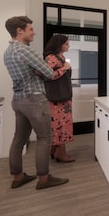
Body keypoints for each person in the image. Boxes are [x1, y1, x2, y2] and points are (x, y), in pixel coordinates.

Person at [3, 16, 69, 190]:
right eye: (31, 29)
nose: (34, 32)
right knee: (44, 138)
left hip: (18, 99)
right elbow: (48, 72)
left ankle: (18, 176)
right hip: (34, 99)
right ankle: (44, 178)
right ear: (19, 31)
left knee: (19, 139)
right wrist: (60, 68)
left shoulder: (8, 52)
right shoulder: (26, 50)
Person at [43, 34, 76, 163]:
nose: (69, 46)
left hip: (63, 96)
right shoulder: (51, 58)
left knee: (63, 123)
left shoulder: (60, 57)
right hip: (57, 99)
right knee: (60, 124)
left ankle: (55, 149)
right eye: (66, 44)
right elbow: (48, 75)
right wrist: (64, 68)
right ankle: (60, 153)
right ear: (59, 44)